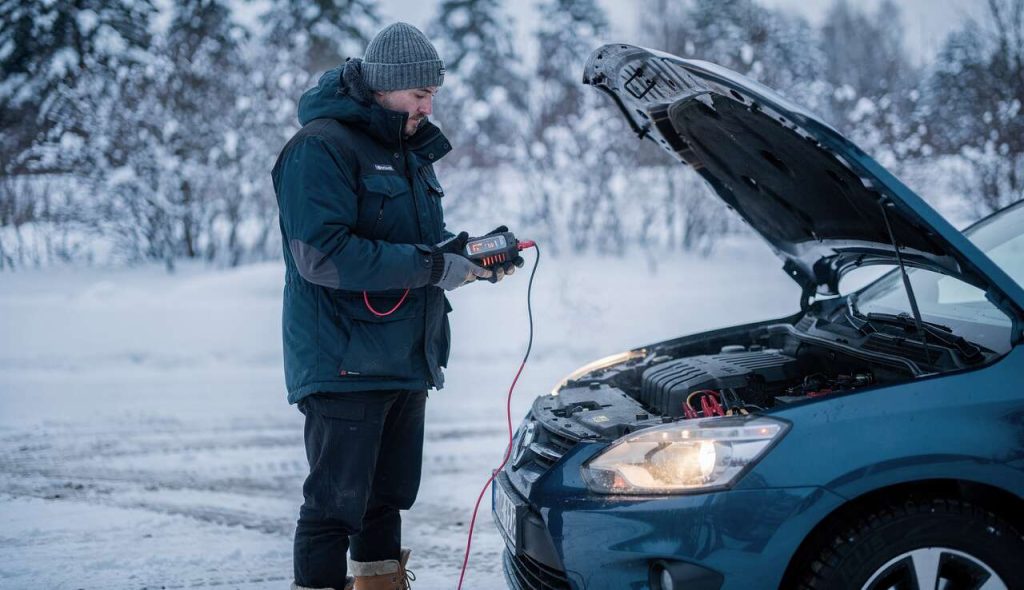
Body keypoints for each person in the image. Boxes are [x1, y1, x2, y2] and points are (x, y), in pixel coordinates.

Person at [271, 22, 522, 590]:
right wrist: (434, 266)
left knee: (385, 502)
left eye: (432, 94)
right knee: (334, 506)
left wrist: (464, 259)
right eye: (419, 94)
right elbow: (323, 255)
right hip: (344, 363)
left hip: (406, 358)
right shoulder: (320, 147)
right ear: (384, 86)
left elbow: (413, 249)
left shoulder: (408, 151)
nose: (428, 107)